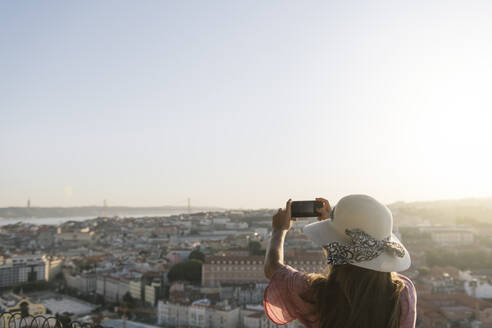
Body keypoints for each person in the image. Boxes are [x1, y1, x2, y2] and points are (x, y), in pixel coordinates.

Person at [263, 195, 417, 328]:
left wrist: (279, 230)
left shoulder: (318, 293)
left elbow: (272, 268)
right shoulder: (403, 293)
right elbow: (355, 260)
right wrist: (334, 231)